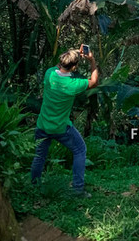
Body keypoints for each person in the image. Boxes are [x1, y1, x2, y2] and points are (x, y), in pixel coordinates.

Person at [30, 46, 99, 196]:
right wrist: (92, 60)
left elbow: (58, 67)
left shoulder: (49, 74)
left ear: (62, 61)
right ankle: (78, 189)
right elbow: (94, 81)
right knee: (80, 150)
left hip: (42, 125)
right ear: (74, 67)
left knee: (39, 156)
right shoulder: (73, 84)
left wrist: (72, 53)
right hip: (61, 128)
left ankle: (34, 186)